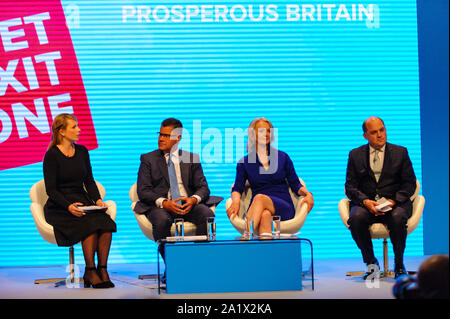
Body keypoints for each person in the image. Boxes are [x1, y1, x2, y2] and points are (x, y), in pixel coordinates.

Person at [134, 118, 221, 276]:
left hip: (187, 204)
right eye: (160, 134)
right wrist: (165, 203)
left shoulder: (191, 158)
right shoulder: (148, 159)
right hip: (161, 206)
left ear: (178, 137)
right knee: (161, 220)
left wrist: (193, 199)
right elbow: (143, 191)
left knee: (207, 214)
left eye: (166, 135)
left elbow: (203, 188)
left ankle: (197, 263)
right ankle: (173, 266)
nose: (161, 138)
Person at [43, 113, 116, 288]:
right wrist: (68, 206)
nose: (79, 129)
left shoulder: (82, 151)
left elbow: (89, 181)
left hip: (81, 200)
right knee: (88, 224)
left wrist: (98, 200)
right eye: (74, 127)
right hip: (59, 206)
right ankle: (90, 271)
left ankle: (102, 269)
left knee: (105, 223)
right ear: (61, 131)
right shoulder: (51, 155)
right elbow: (51, 190)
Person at [345, 116, 417, 279]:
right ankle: (371, 264)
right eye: (374, 132)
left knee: (398, 217)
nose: (380, 135)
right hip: (367, 204)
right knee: (356, 218)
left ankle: (399, 265)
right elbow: (350, 187)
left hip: (394, 203)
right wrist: (365, 201)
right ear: (365, 136)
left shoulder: (401, 152)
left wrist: (394, 201)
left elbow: (409, 184)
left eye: (382, 130)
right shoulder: (355, 155)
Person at [226, 117, 314, 237]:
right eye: (262, 131)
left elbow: (296, 184)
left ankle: (247, 237)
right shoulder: (245, 162)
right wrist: (236, 201)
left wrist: (308, 194)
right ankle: (266, 254)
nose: (266, 134)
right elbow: (237, 188)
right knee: (265, 215)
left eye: (268, 131)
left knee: (260, 198)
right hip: (258, 208)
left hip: (283, 205)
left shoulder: (283, 157)